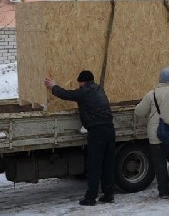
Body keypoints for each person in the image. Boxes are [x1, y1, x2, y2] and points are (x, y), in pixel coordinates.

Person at [44, 70, 115, 206]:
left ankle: (91, 198)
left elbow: (66, 94)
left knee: (94, 165)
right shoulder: (99, 89)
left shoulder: (84, 91)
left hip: (97, 131)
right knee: (107, 164)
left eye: (80, 83)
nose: (79, 85)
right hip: (109, 129)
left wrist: (53, 86)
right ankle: (108, 194)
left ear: (83, 82)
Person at [134, 67, 169, 199]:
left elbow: (139, 112)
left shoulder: (151, 94)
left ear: (159, 80)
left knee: (160, 164)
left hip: (156, 136)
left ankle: (163, 191)